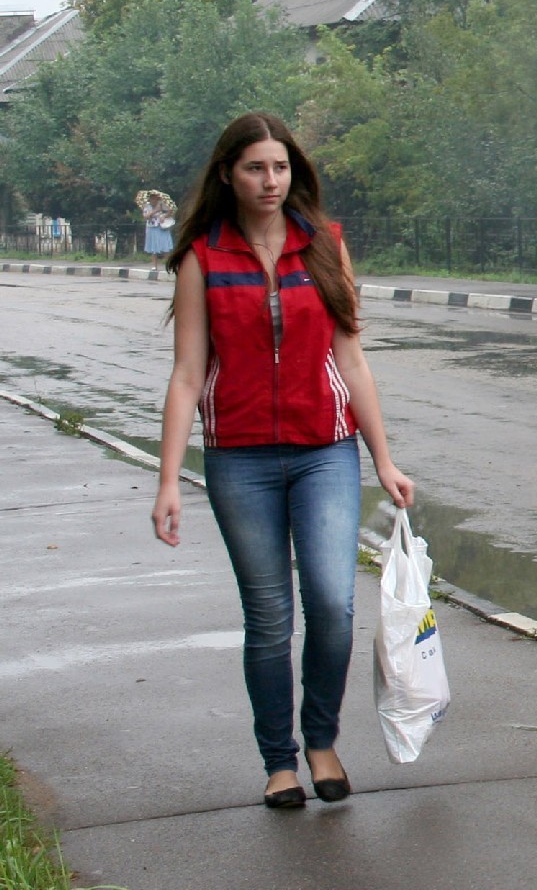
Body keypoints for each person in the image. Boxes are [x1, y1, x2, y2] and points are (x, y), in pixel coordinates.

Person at [150, 112, 414, 810]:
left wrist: (382, 459)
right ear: (227, 176)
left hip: (325, 450)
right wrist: (169, 480)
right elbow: (186, 374)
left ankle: (321, 739)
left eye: (280, 168)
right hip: (239, 459)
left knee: (331, 603)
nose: (270, 181)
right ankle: (281, 762)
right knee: (269, 616)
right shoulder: (204, 258)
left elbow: (351, 359)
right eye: (255, 168)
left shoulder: (325, 247)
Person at [137, 189, 177, 266]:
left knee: (165, 247)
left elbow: (170, 211)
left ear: (158, 198)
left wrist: (164, 216)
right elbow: (146, 216)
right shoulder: (147, 206)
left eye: (155, 198)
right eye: (152, 198)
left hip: (162, 227)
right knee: (153, 248)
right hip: (151, 228)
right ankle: (154, 265)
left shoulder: (162, 204)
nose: (153, 200)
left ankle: (168, 264)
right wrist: (155, 210)